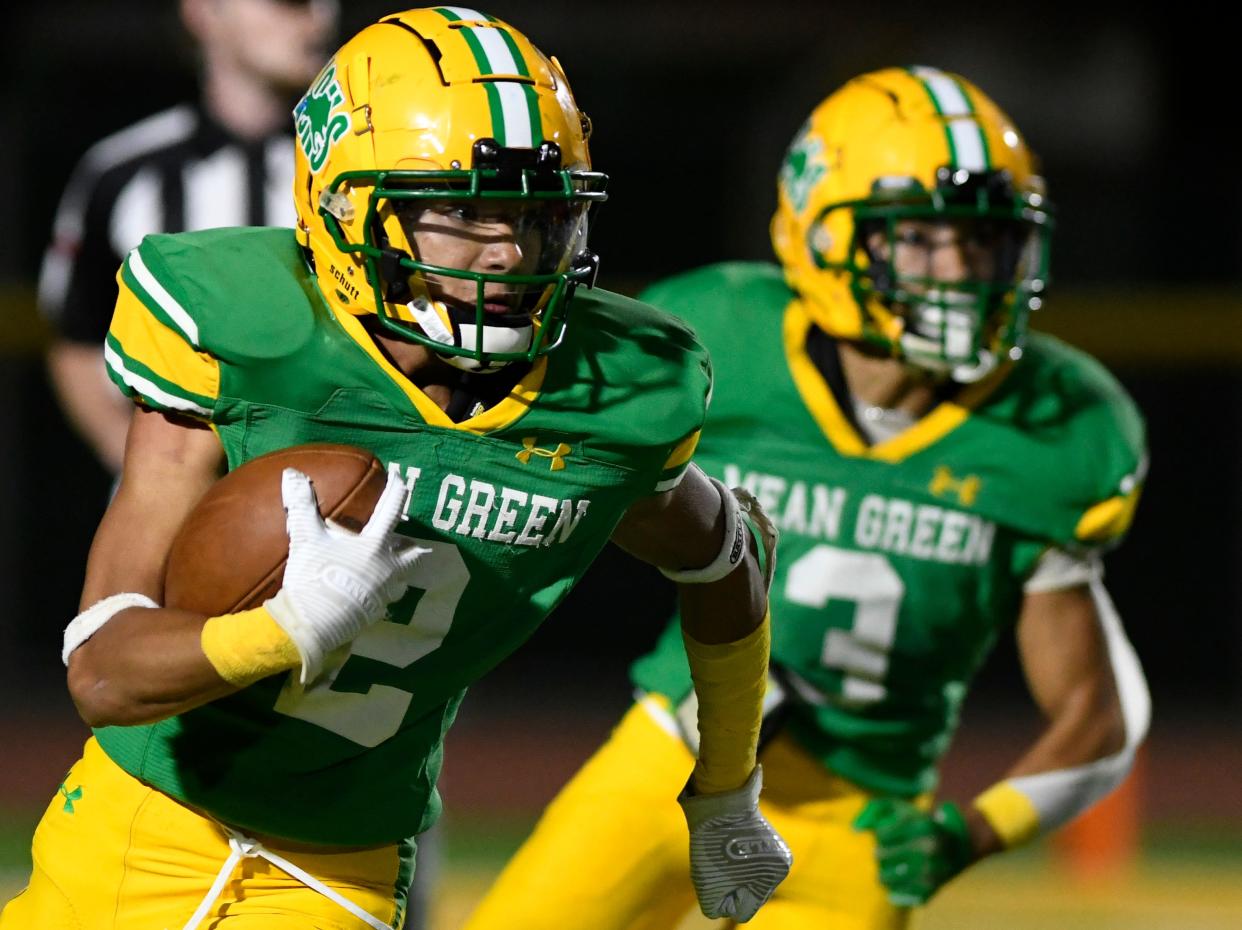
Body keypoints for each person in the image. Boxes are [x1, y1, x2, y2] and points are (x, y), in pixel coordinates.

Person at [0, 8, 793, 930]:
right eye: (462, 210)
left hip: (341, 868)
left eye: (537, 215)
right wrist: (288, 627)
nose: (506, 250)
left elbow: (730, 561)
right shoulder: (249, 333)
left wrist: (730, 787)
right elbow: (103, 671)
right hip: (135, 820)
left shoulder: (613, 396)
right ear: (343, 205)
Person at [462, 65, 1151, 930]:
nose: (962, 274)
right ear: (823, 237)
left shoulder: (1052, 430)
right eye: (922, 239)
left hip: (858, 823)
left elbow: (1100, 714)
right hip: (673, 753)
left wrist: (972, 832)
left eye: (983, 243)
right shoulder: (723, 337)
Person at [39, 0, 339, 476]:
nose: (322, 17)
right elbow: (75, 341)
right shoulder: (120, 172)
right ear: (204, 13)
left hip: (333, 498)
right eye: (291, 2)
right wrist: (149, 476)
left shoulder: (350, 175)